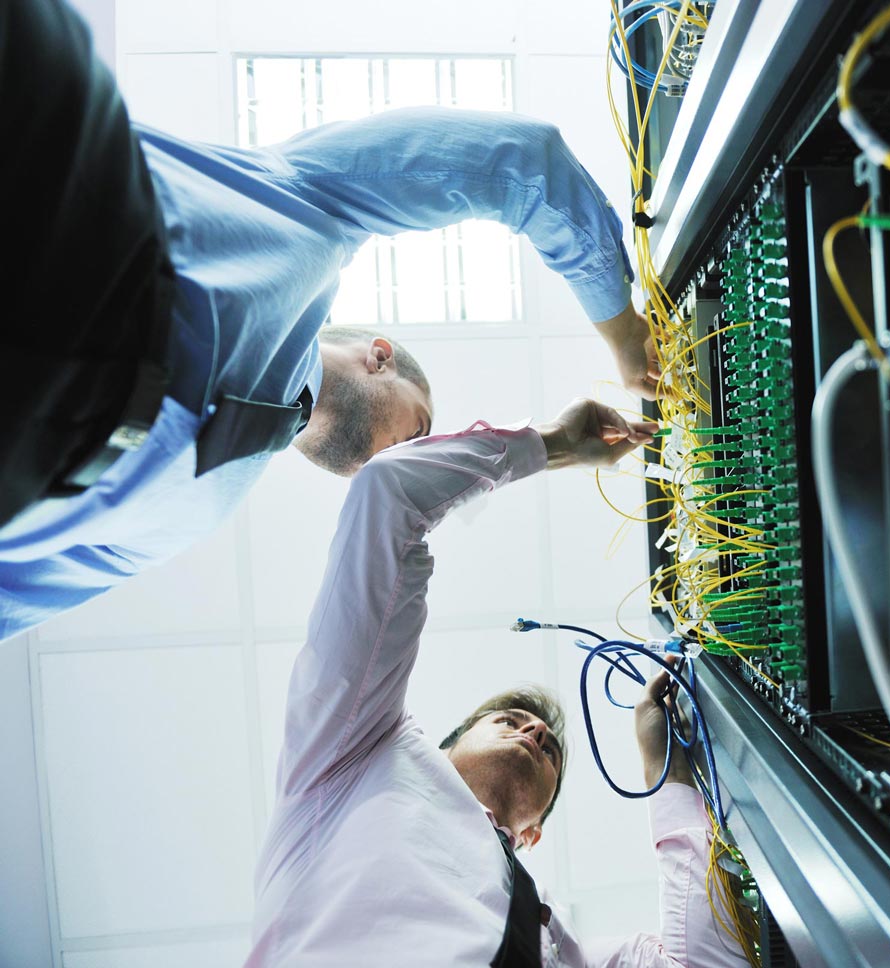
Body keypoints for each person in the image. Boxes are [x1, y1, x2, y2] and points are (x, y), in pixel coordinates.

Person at [0, 0, 659, 640]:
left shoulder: (178, 525)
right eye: (420, 429)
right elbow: (514, 160)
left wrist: (555, 445)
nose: (418, 454)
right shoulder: (299, 207)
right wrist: (624, 331)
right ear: (380, 356)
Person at [244, 396, 748, 968]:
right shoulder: (349, 760)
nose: (536, 732)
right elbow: (388, 493)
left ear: (532, 835)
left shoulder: (558, 944)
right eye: (509, 721)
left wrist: (666, 766)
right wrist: (554, 444)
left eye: (550, 750)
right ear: (445, 748)